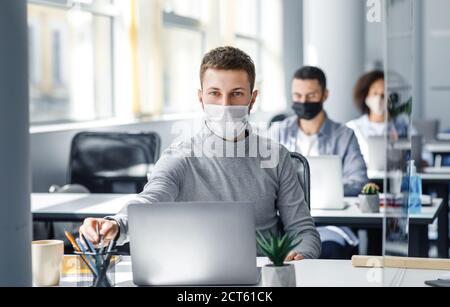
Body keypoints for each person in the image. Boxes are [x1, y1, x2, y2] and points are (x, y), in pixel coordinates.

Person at [79, 46, 321, 261]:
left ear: (252, 98)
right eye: (214, 93)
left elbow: (303, 230)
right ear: (201, 97)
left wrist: (300, 254)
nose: (225, 105)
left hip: (266, 277)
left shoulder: (276, 156)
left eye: (236, 93)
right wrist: (116, 223)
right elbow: (149, 200)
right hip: (196, 274)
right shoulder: (179, 156)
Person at [269, 66, 368, 259]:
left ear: (325, 95)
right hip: (286, 224)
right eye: (297, 95)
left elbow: (359, 181)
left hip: (331, 226)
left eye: (311, 95)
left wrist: (322, 191)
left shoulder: (344, 135)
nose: (303, 101)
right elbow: (263, 176)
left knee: (328, 251)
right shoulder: (277, 132)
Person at [346, 71, 386, 164]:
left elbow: (422, 156)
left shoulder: (403, 126)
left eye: (384, 94)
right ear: (365, 95)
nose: (379, 98)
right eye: (375, 93)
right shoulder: (352, 128)